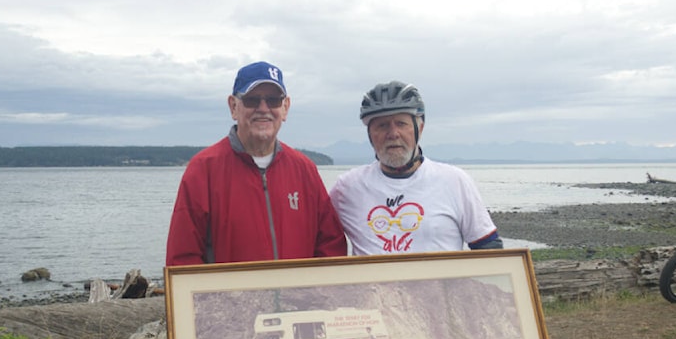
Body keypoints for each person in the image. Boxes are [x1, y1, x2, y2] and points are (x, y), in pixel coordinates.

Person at [166, 61, 347, 265]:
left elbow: (331, 247)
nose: (263, 109)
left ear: (285, 108)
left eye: (273, 100)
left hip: (298, 298)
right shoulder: (203, 170)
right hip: (229, 298)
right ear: (234, 107)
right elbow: (182, 257)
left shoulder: (305, 170)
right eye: (252, 100)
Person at [329, 81, 502, 255]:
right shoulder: (347, 187)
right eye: (382, 125)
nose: (393, 133)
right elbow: (320, 239)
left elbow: (488, 248)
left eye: (401, 124)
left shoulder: (455, 181)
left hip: (441, 283)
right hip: (373, 284)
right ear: (370, 134)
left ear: (420, 127)